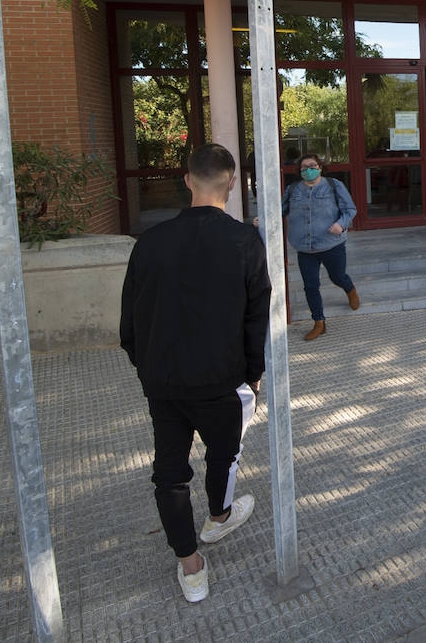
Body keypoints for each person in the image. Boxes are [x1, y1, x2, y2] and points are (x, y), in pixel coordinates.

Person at [119, 143, 269, 604]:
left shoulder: (149, 242)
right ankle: (218, 520)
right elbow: (255, 317)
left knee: (169, 472)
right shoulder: (245, 241)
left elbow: (129, 322)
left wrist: (148, 369)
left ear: (188, 180)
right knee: (223, 456)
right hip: (222, 380)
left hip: (163, 381)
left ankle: (190, 566)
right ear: (233, 184)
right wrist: (254, 372)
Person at [283, 153, 359, 341]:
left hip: (331, 244)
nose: (308, 170)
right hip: (305, 248)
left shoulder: (334, 185)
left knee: (337, 276)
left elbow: (350, 210)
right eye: (304, 167)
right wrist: (263, 220)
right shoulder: (293, 190)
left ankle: (350, 289)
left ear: (320, 167)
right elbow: (279, 210)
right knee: (310, 285)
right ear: (299, 171)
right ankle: (319, 322)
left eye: (312, 166)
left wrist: (341, 224)